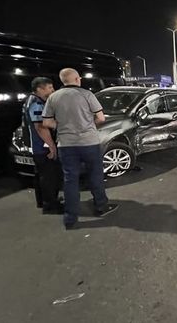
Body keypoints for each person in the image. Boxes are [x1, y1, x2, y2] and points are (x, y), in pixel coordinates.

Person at [42, 68, 117, 229]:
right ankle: (101, 206)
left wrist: (63, 126)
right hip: (89, 143)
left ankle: (70, 219)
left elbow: (47, 123)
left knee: (70, 180)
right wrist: (87, 126)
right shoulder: (86, 94)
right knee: (95, 175)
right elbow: (101, 117)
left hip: (66, 145)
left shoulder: (53, 97)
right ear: (77, 79)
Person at [24, 77, 63, 214]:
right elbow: (40, 127)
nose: (52, 90)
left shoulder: (31, 101)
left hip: (37, 147)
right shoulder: (37, 103)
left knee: (41, 176)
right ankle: (51, 205)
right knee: (49, 177)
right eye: (49, 88)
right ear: (40, 89)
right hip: (42, 148)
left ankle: (43, 202)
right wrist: (51, 146)